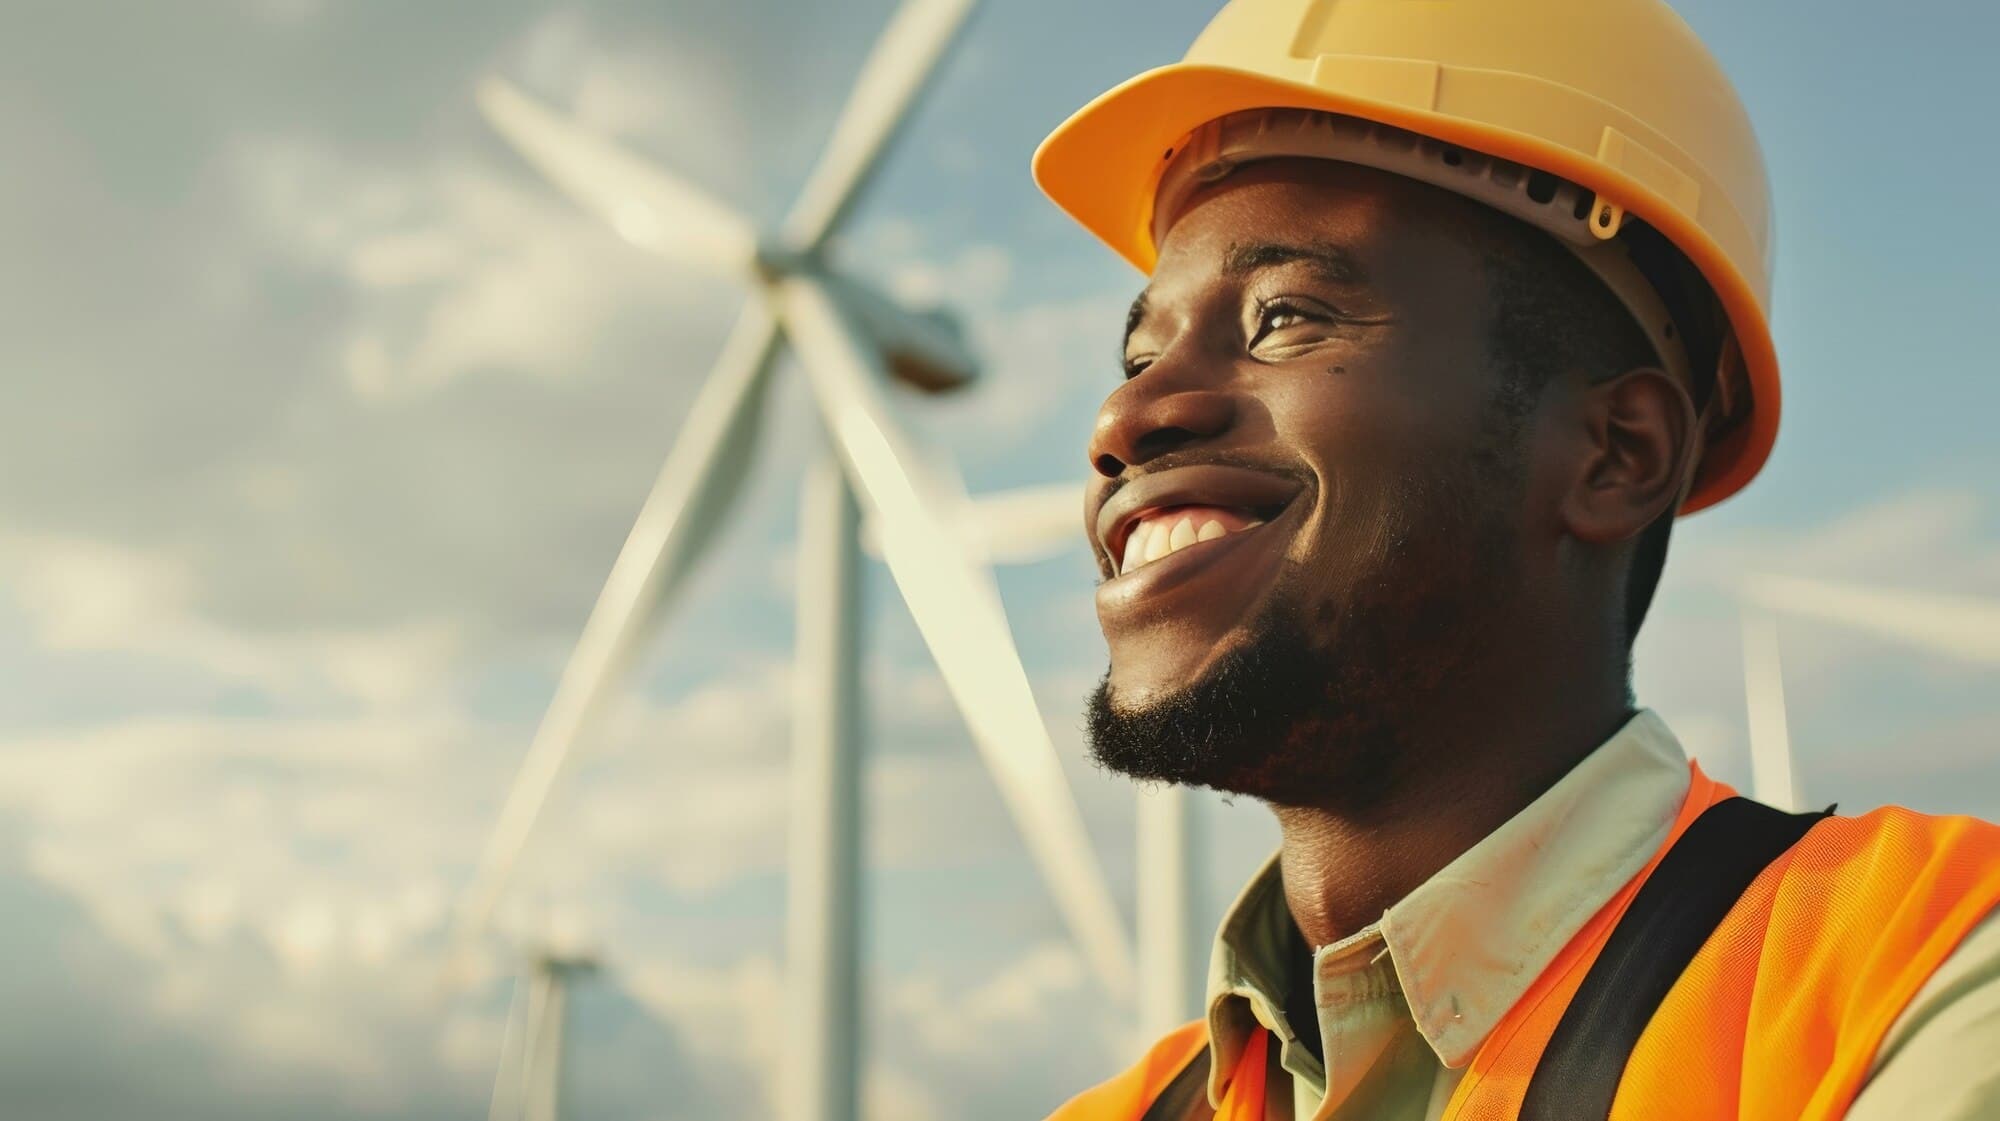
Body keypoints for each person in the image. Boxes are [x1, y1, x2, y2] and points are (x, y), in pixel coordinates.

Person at [1031, 1, 2000, 1118]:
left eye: (1285, 315)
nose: (1126, 412)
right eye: (1138, 349)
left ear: (1613, 453)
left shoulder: (1918, 973)